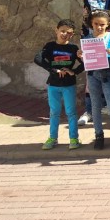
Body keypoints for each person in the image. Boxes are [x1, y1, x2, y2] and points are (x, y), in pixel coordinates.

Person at [81, 10, 110, 158]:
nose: (99, 27)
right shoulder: (87, 38)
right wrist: (81, 55)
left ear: (108, 25)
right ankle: (98, 135)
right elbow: (86, 58)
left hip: (108, 74)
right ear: (91, 24)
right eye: (96, 24)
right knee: (95, 106)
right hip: (93, 75)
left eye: (102, 25)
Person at [34, 19, 84, 150]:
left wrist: (74, 71)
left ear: (72, 35)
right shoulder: (50, 46)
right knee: (54, 112)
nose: (64, 34)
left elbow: (85, 63)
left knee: (71, 112)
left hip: (68, 85)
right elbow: (38, 58)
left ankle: (74, 138)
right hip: (53, 85)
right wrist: (53, 70)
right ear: (56, 30)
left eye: (68, 33)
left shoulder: (73, 48)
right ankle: (53, 138)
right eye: (62, 31)